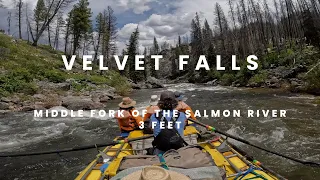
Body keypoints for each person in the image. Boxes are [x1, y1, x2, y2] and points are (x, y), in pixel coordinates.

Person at [150, 91, 187, 155]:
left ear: (160, 103)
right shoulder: (182, 115)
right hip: (178, 149)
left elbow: (152, 129)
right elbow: (183, 127)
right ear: (175, 103)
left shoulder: (153, 116)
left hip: (161, 150)